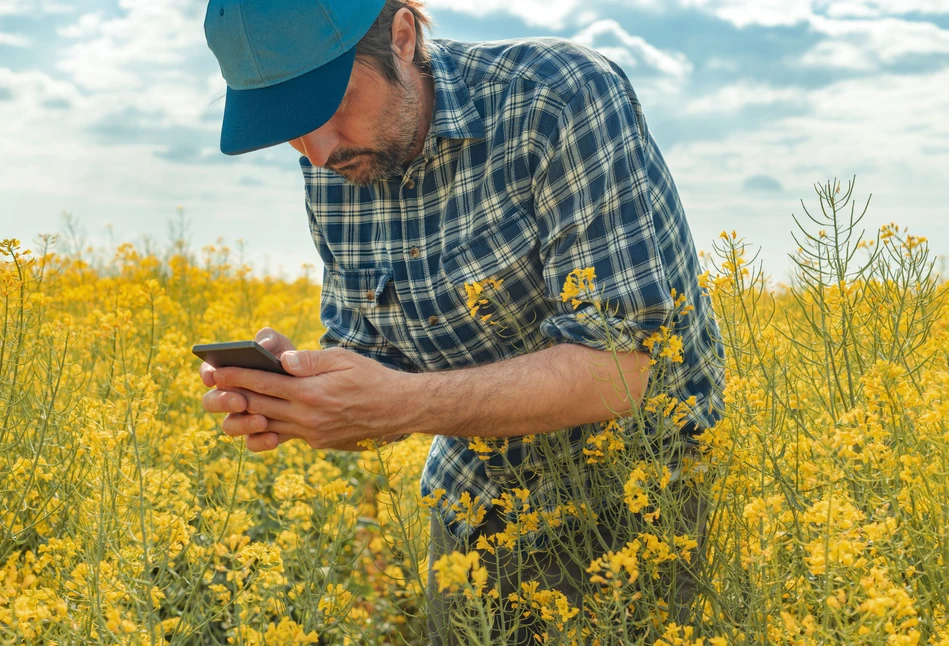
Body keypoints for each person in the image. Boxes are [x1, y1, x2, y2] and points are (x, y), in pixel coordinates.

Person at [199, 0, 724, 643]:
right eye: (290, 126)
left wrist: (399, 404)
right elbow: (377, 362)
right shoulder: (338, 164)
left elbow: (625, 367)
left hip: (634, 509)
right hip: (473, 508)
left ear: (401, 35)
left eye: (327, 107)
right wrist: (309, 393)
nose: (315, 152)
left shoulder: (559, 98)